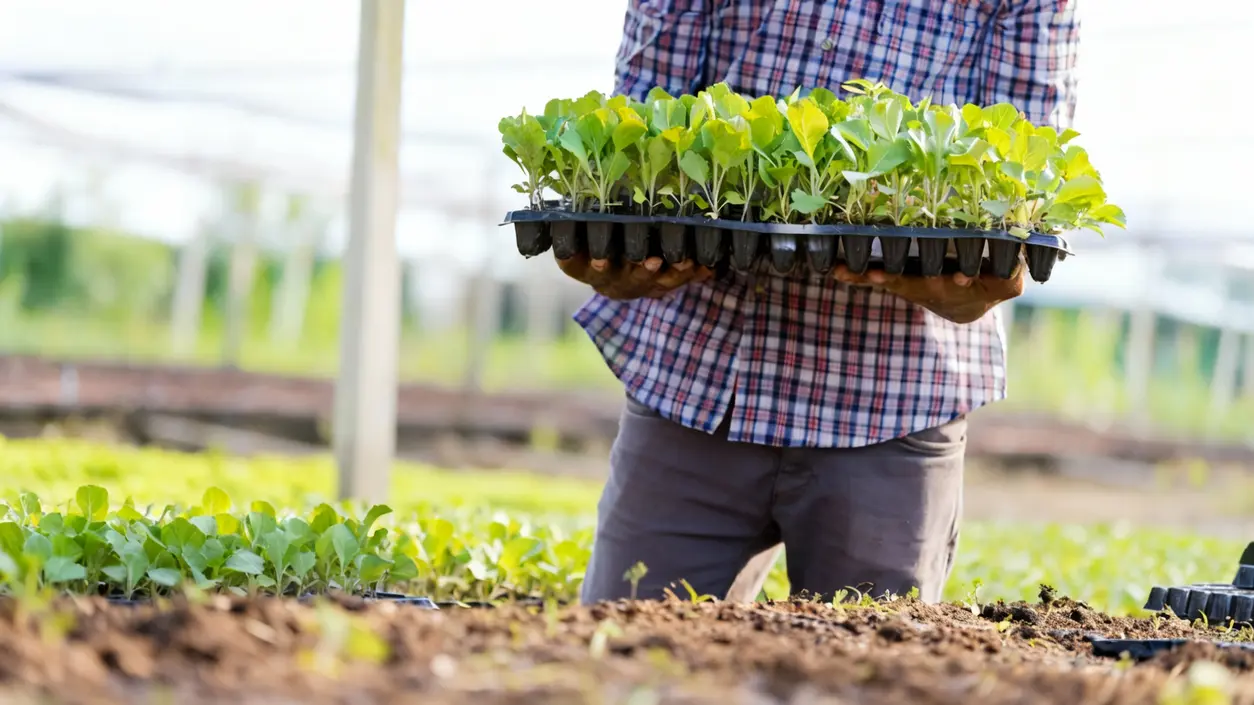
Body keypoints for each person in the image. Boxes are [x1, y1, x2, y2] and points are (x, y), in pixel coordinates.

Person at [563, 0, 1078, 604]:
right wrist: (620, 234)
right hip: (698, 378)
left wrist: (982, 276)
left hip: (892, 402)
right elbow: (641, 117)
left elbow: (1025, 164)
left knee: (869, 679)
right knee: (624, 663)